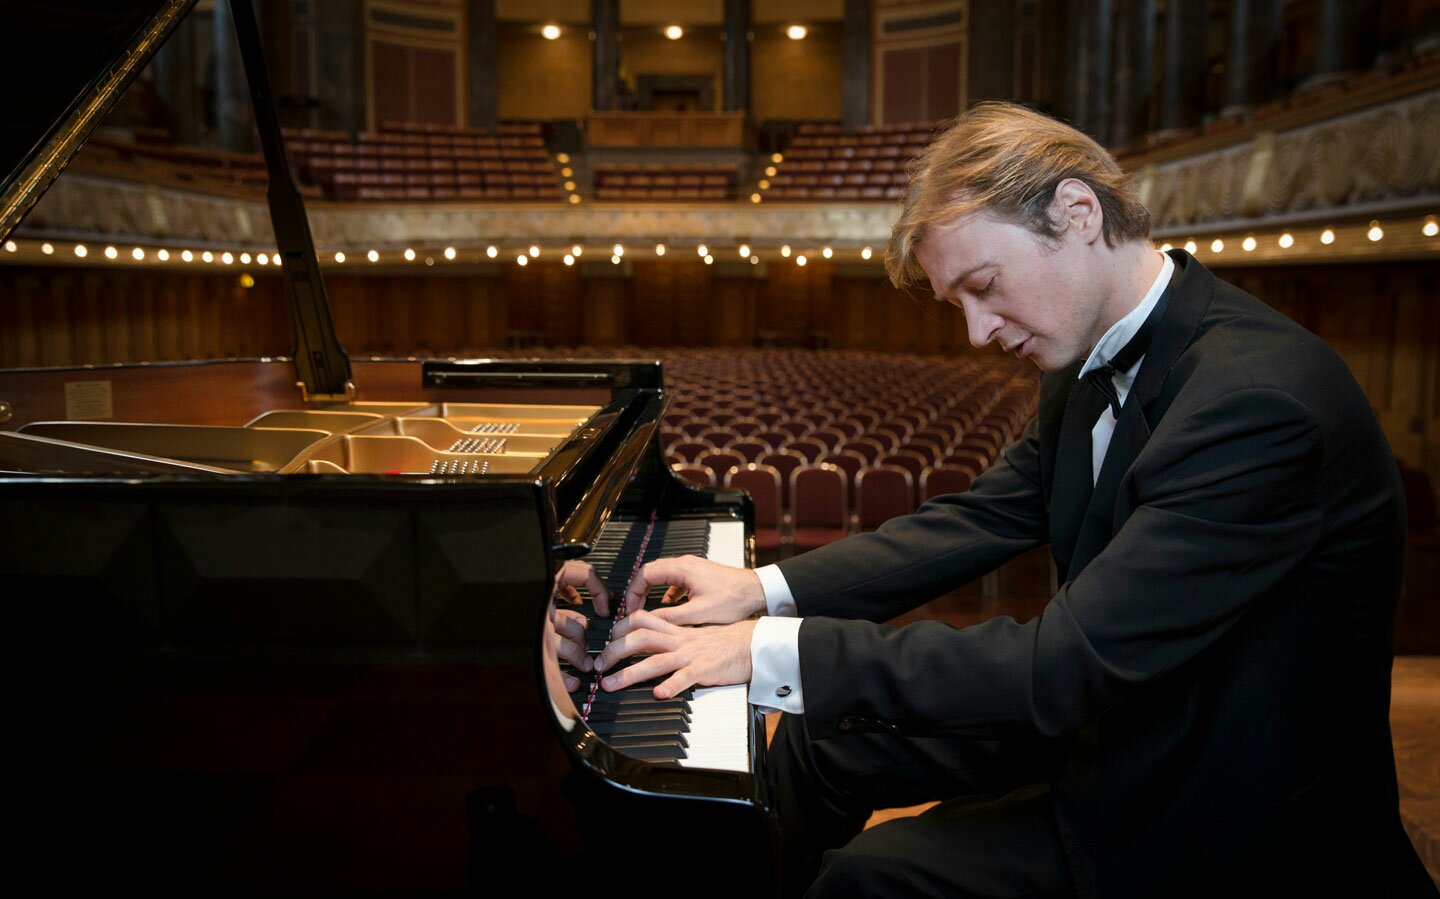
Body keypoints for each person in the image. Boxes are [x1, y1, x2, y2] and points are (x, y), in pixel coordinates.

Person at [567, 103, 1433, 898]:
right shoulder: (1084, 362)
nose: (979, 333)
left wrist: (764, 652)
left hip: (1215, 807)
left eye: (983, 286)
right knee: (815, 743)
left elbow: (1062, 666)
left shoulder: (1258, 402)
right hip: (1120, 719)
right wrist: (761, 591)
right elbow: (976, 518)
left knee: (871, 878)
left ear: (1076, 213)